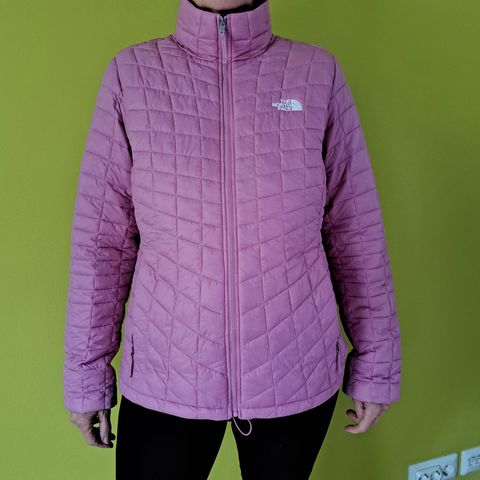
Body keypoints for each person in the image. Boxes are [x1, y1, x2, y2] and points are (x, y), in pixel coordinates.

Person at [63, 0, 402, 478]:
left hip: (294, 368)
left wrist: (376, 364)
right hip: (166, 373)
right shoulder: (131, 75)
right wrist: (86, 373)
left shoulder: (316, 74)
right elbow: (103, 242)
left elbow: (355, 230)